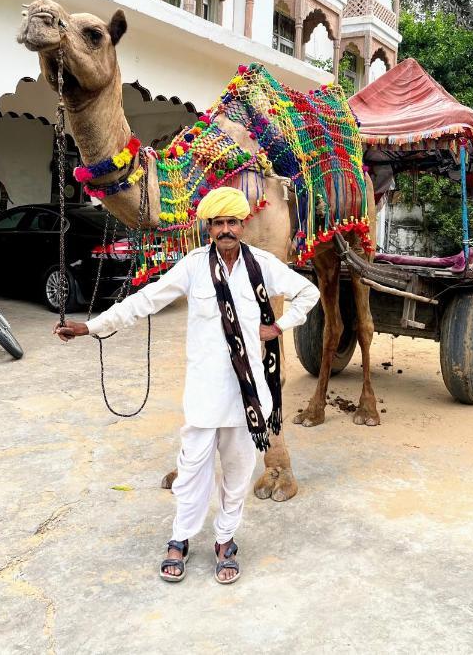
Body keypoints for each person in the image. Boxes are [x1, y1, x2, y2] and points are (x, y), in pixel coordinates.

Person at [54, 187, 319, 585]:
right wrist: (90, 326)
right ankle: (180, 537)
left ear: (243, 225)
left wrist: (279, 326)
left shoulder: (263, 265)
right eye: (219, 223)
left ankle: (225, 540)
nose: (226, 229)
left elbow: (308, 292)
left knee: (237, 470)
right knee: (192, 469)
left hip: (249, 397)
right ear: (208, 228)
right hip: (204, 393)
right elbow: (144, 301)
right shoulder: (194, 266)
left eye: (233, 222)